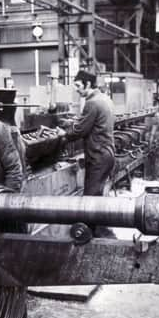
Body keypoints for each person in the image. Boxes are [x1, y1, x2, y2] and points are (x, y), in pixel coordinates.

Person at [61, 70, 116, 237]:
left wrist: (63, 134)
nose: (77, 90)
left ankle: (87, 236)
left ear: (88, 84)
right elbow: (92, 123)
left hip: (98, 156)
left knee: (90, 198)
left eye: (78, 86)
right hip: (108, 153)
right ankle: (98, 229)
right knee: (98, 194)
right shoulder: (105, 99)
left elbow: (80, 130)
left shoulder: (92, 103)